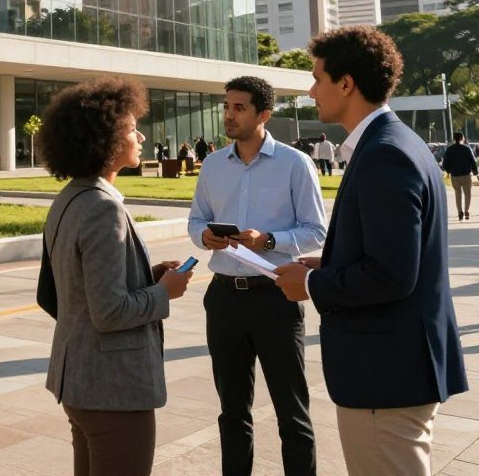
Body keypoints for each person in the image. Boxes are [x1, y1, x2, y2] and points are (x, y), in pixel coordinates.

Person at [275, 26, 468, 476]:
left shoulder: (384, 153)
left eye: (317, 77)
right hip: (398, 369)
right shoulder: (394, 142)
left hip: (387, 377)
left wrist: (309, 283)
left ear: (346, 83)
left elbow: (392, 273)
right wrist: (332, 259)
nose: (310, 89)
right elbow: (398, 251)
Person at [38, 76, 193, 476]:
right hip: (113, 390)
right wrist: (164, 292)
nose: (140, 136)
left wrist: (148, 275)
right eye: (130, 128)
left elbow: (71, 288)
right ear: (105, 138)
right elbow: (108, 311)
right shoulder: (102, 208)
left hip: (81, 380)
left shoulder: (71, 197)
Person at [188, 75, 326, 476]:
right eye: (226, 106)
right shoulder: (213, 164)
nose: (228, 115)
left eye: (239, 108)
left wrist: (266, 240)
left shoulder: (295, 164)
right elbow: (197, 217)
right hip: (224, 298)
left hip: (275, 298)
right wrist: (205, 235)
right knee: (232, 412)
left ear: (264, 114)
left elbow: (316, 231)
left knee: (291, 411)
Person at [443, 130, 478, 221]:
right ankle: (466, 210)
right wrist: (475, 172)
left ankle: (459, 212)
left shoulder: (449, 149)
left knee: (457, 194)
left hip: (455, 176)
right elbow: (473, 161)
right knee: (468, 194)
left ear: (454, 139)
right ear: (462, 138)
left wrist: (449, 170)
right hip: (466, 175)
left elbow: (445, 164)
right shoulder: (467, 149)